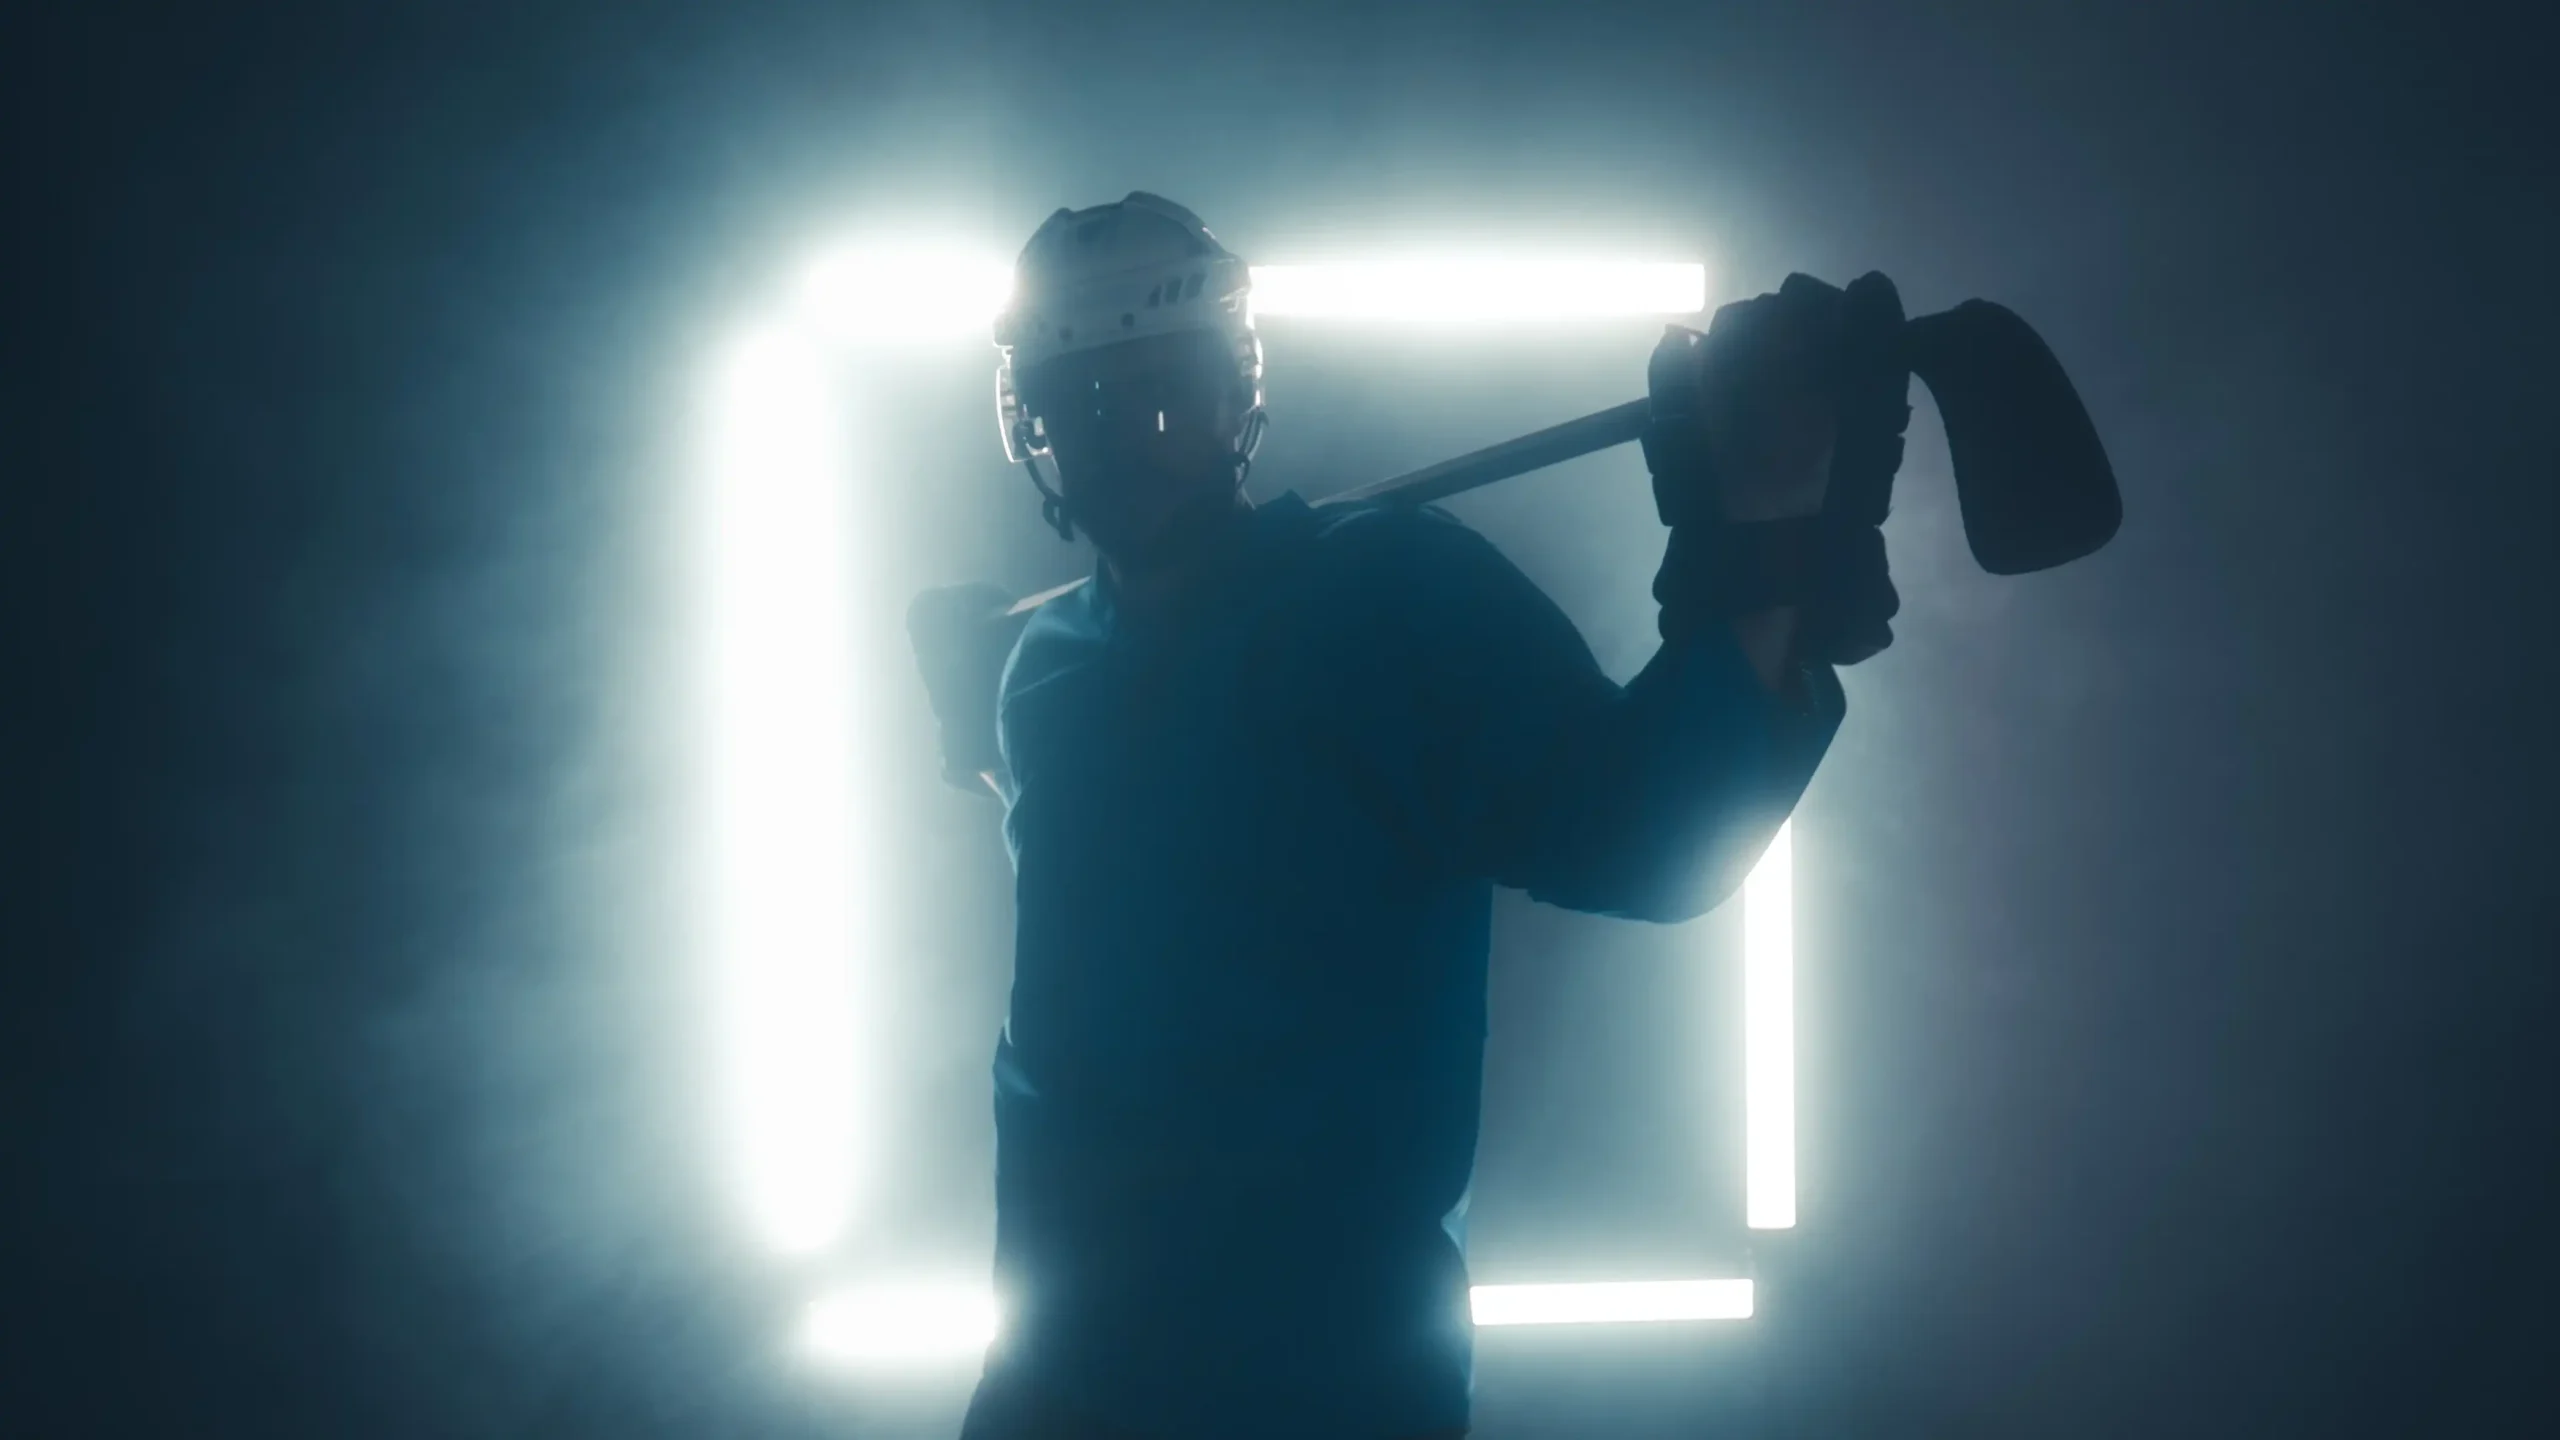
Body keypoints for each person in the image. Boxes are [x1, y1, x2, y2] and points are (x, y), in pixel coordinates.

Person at [908, 192, 1890, 1440]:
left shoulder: (1386, 599)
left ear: (1234, 399)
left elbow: (1650, 831)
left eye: (1159, 400)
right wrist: (975, 721)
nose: (1120, 448)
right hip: (1053, 1388)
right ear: (1029, 427)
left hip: (1317, 1387)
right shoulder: (1042, 672)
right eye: (1078, 410)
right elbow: (1139, 876)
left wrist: (1770, 513)